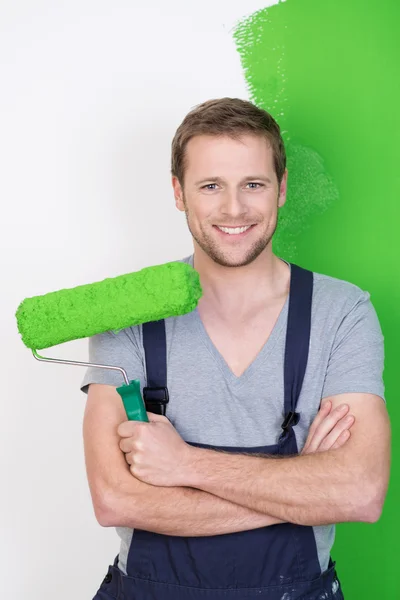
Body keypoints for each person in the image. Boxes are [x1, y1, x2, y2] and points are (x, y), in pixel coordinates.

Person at [81, 98, 390, 600]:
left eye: (253, 184)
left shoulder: (342, 312)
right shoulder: (126, 318)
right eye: (210, 186)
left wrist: (186, 466)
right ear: (179, 193)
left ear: (282, 188)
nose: (233, 209)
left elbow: (360, 492)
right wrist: (304, 489)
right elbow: (114, 499)